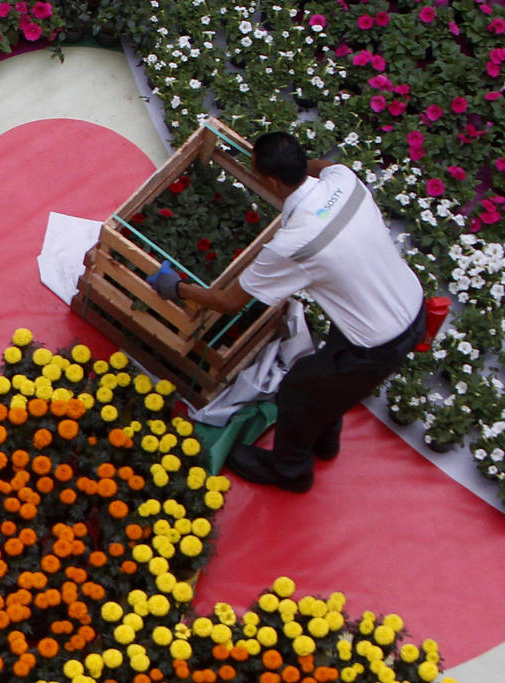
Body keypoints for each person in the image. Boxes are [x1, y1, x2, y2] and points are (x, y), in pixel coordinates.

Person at [148, 131, 425, 493]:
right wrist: (281, 163)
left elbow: (230, 302)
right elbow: (321, 167)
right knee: (327, 376)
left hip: (378, 342)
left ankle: (291, 471)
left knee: (298, 387)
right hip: (403, 301)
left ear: (271, 181)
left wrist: (177, 288)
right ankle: (325, 439)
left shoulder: (295, 243)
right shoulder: (343, 179)